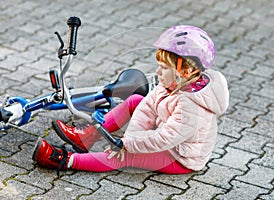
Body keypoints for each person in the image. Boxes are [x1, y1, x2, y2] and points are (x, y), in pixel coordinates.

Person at [32, 25, 229, 175]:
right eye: (158, 65)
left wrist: (128, 146)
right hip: (166, 135)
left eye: (164, 68)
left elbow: (164, 138)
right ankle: (88, 137)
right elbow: (146, 109)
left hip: (180, 157)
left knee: (124, 156)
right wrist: (130, 138)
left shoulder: (191, 107)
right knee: (136, 100)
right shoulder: (173, 82)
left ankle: (65, 160)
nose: (157, 72)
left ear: (185, 72)